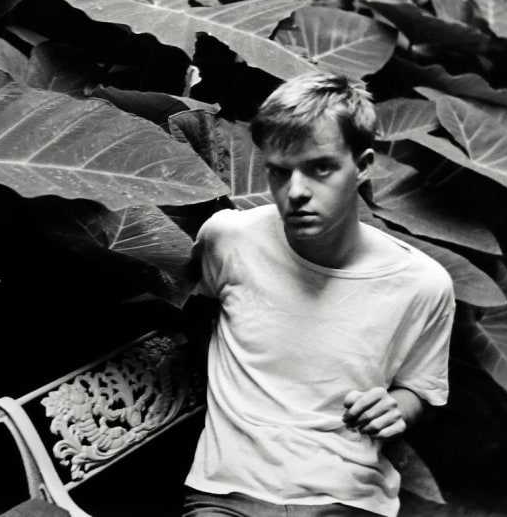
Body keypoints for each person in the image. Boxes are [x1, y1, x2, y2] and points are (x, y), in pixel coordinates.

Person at [182, 71, 455, 517]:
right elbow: (198, 314)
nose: (297, 193)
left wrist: (396, 408)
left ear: (364, 164)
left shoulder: (421, 284)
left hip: (345, 498)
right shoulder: (228, 239)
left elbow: (417, 390)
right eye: (279, 172)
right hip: (227, 496)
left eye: (320, 167)